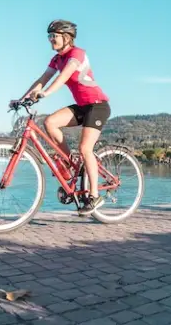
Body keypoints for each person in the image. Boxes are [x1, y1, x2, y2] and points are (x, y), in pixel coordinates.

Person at [12, 19, 111, 215]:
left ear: (66, 37)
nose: (50, 40)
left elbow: (62, 77)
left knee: (85, 148)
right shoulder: (57, 59)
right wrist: (22, 99)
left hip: (98, 106)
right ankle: (68, 161)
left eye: (54, 36)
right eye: (49, 36)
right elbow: (43, 79)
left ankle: (93, 195)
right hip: (82, 107)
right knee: (50, 122)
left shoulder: (76, 54)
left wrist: (46, 94)